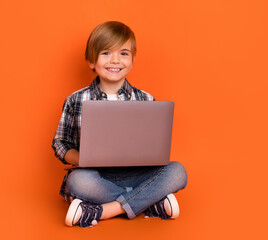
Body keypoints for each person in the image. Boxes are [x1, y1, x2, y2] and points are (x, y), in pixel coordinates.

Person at [52, 21, 187, 228]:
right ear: (91, 61)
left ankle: (103, 211)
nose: (115, 60)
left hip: (137, 175)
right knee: (77, 182)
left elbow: (155, 149)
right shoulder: (76, 99)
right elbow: (60, 143)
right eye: (106, 53)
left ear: (132, 60)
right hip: (96, 177)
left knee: (177, 171)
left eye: (123, 53)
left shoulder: (146, 99)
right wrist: (82, 159)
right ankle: (150, 202)